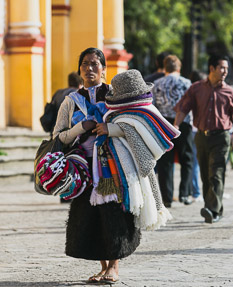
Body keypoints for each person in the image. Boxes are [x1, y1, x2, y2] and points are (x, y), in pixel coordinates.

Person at [53, 48, 141, 284]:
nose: (89, 68)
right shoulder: (71, 102)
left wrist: (108, 129)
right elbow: (58, 136)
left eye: (94, 64)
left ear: (104, 69)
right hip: (83, 166)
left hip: (112, 165)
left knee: (113, 212)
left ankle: (114, 267)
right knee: (92, 215)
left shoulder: (116, 97)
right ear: (79, 69)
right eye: (84, 64)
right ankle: (103, 267)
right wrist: (80, 128)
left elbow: (135, 126)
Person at [173, 54, 233, 224]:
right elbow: (183, 107)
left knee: (217, 173)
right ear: (212, 68)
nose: (225, 72)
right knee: (206, 175)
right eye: (222, 68)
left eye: (227, 69)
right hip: (201, 137)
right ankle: (213, 210)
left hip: (221, 138)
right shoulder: (196, 88)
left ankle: (212, 210)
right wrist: (176, 125)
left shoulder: (230, 92)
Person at [152, 55, 193, 207]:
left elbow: (153, 107)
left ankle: (167, 197)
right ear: (179, 68)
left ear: (165, 68)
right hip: (183, 122)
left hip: (163, 124)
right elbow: (191, 105)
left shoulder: (156, 84)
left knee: (165, 162)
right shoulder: (187, 83)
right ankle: (185, 193)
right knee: (187, 159)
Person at [188, 70, 207, 203]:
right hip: (199, 130)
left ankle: (193, 191)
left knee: (193, 164)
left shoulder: (189, 92)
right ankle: (196, 192)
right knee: (196, 164)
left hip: (190, 130)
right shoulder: (201, 93)